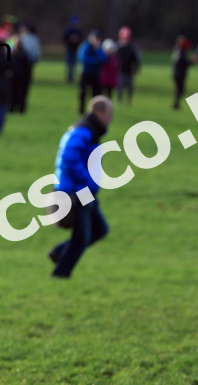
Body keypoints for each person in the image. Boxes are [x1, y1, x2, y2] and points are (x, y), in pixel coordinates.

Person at [49, 96, 113, 279]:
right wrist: (88, 181)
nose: (112, 118)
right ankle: (60, 274)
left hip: (85, 190)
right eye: (110, 113)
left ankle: (59, 253)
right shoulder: (83, 131)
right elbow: (69, 158)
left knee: (100, 229)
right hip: (78, 191)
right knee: (82, 237)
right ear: (99, 113)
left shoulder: (90, 130)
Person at [77, 30, 106, 114]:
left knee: (96, 94)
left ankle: (95, 110)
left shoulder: (98, 48)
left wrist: (97, 50)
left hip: (95, 74)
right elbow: (83, 58)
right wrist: (96, 60)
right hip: (85, 73)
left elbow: (104, 58)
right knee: (83, 92)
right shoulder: (85, 46)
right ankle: (81, 110)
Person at [17, 24, 41, 111]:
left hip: (16, 65)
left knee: (16, 86)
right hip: (28, 64)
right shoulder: (35, 39)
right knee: (25, 86)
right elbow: (37, 53)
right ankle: (22, 106)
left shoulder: (17, 37)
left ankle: (13, 105)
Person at [116, 26, 142, 106]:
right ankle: (119, 101)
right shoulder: (117, 47)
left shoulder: (133, 48)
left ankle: (128, 101)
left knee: (130, 88)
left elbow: (138, 60)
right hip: (119, 71)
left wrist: (136, 69)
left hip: (129, 71)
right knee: (119, 87)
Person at [10, 28, 31, 113]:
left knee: (20, 93)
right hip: (15, 76)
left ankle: (20, 108)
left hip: (20, 76)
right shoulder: (13, 54)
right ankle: (12, 108)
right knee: (13, 92)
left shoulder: (23, 54)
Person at [172, 35, 193, 110]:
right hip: (179, 73)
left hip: (177, 73)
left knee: (180, 90)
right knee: (180, 90)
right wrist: (192, 61)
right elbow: (183, 63)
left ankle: (176, 104)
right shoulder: (181, 52)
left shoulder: (177, 50)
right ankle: (175, 104)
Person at [63, 16, 84, 83]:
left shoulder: (79, 30)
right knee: (69, 64)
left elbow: (81, 38)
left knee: (75, 64)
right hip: (69, 49)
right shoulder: (68, 30)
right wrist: (70, 39)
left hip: (76, 49)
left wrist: (77, 39)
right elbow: (64, 38)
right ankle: (69, 78)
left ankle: (72, 77)